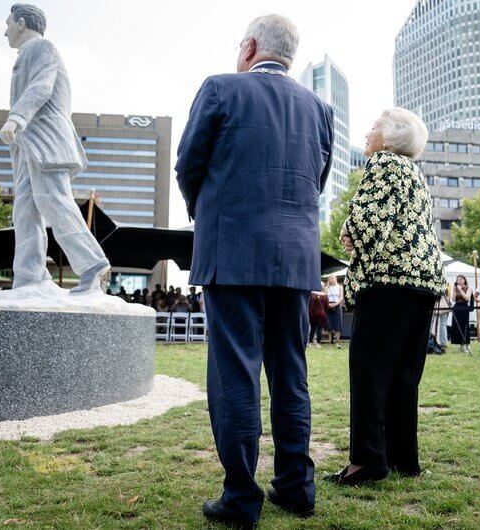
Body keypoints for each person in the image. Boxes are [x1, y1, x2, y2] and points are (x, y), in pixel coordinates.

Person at [176, 14, 333, 526]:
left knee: (234, 374)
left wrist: (204, 210)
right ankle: (296, 487)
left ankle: (241, 497)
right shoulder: (321, 109)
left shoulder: (221, 88)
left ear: (249, 47)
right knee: (291, 374)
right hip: (295, 257)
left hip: (232, 253)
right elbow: (318, 175)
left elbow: (187, 163)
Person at [334, 108, 444, 486]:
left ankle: (366, 461)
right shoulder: (415, 172)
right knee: (404, 373)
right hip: (422, 280)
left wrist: (349, 228)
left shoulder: (383, 163)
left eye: (375, 125)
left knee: (369, 369)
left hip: (388, 281)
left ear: (392, 136)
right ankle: (402, 458)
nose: (368, 131)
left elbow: (368, 223)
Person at [1, 3, 110, 294]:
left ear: (21, 23)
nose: (5, 30)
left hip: (45, 140)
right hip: (27, 145)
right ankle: (28, 277)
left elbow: (41, 86)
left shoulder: (42, 47)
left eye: (8, 23)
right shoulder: (26, 54)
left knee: (53, 200)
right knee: (24, 210)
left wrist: (16, 117)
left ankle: (93, 265)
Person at [452, 275, 473, 353]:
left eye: (460, 279)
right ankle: (461, 344)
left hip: (464, 308)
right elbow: (453, 299)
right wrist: (454, 291)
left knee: (464, 326)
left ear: (464, 280)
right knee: (457, 326)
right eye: (457, 280)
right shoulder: (456, 288)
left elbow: (467, 298)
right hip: (456, 308)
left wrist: (460, 290)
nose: (459, 281)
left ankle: (466, 344)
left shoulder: (468, 288)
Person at [324, 274, 344, 347]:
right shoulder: (326, 288)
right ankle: (330, 341)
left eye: (333, 278)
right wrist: (328, 304)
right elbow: (325, 297)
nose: (332, 280)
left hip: (337, 305)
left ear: (336, 279)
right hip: (328, 305)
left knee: (338, 324)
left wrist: (336, 304)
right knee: (329, 323)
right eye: (330, 278)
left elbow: (341, 297)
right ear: (329, 280)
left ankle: (337, 341)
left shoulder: (340, 287)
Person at [431, 283, 452, 351]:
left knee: (440, 325)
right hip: (443, 305)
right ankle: (438, 342)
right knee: (439, 325)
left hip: (442, 305)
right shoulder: (447, 285)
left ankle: (441, 342)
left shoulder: (446, 285)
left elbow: (445, 294)